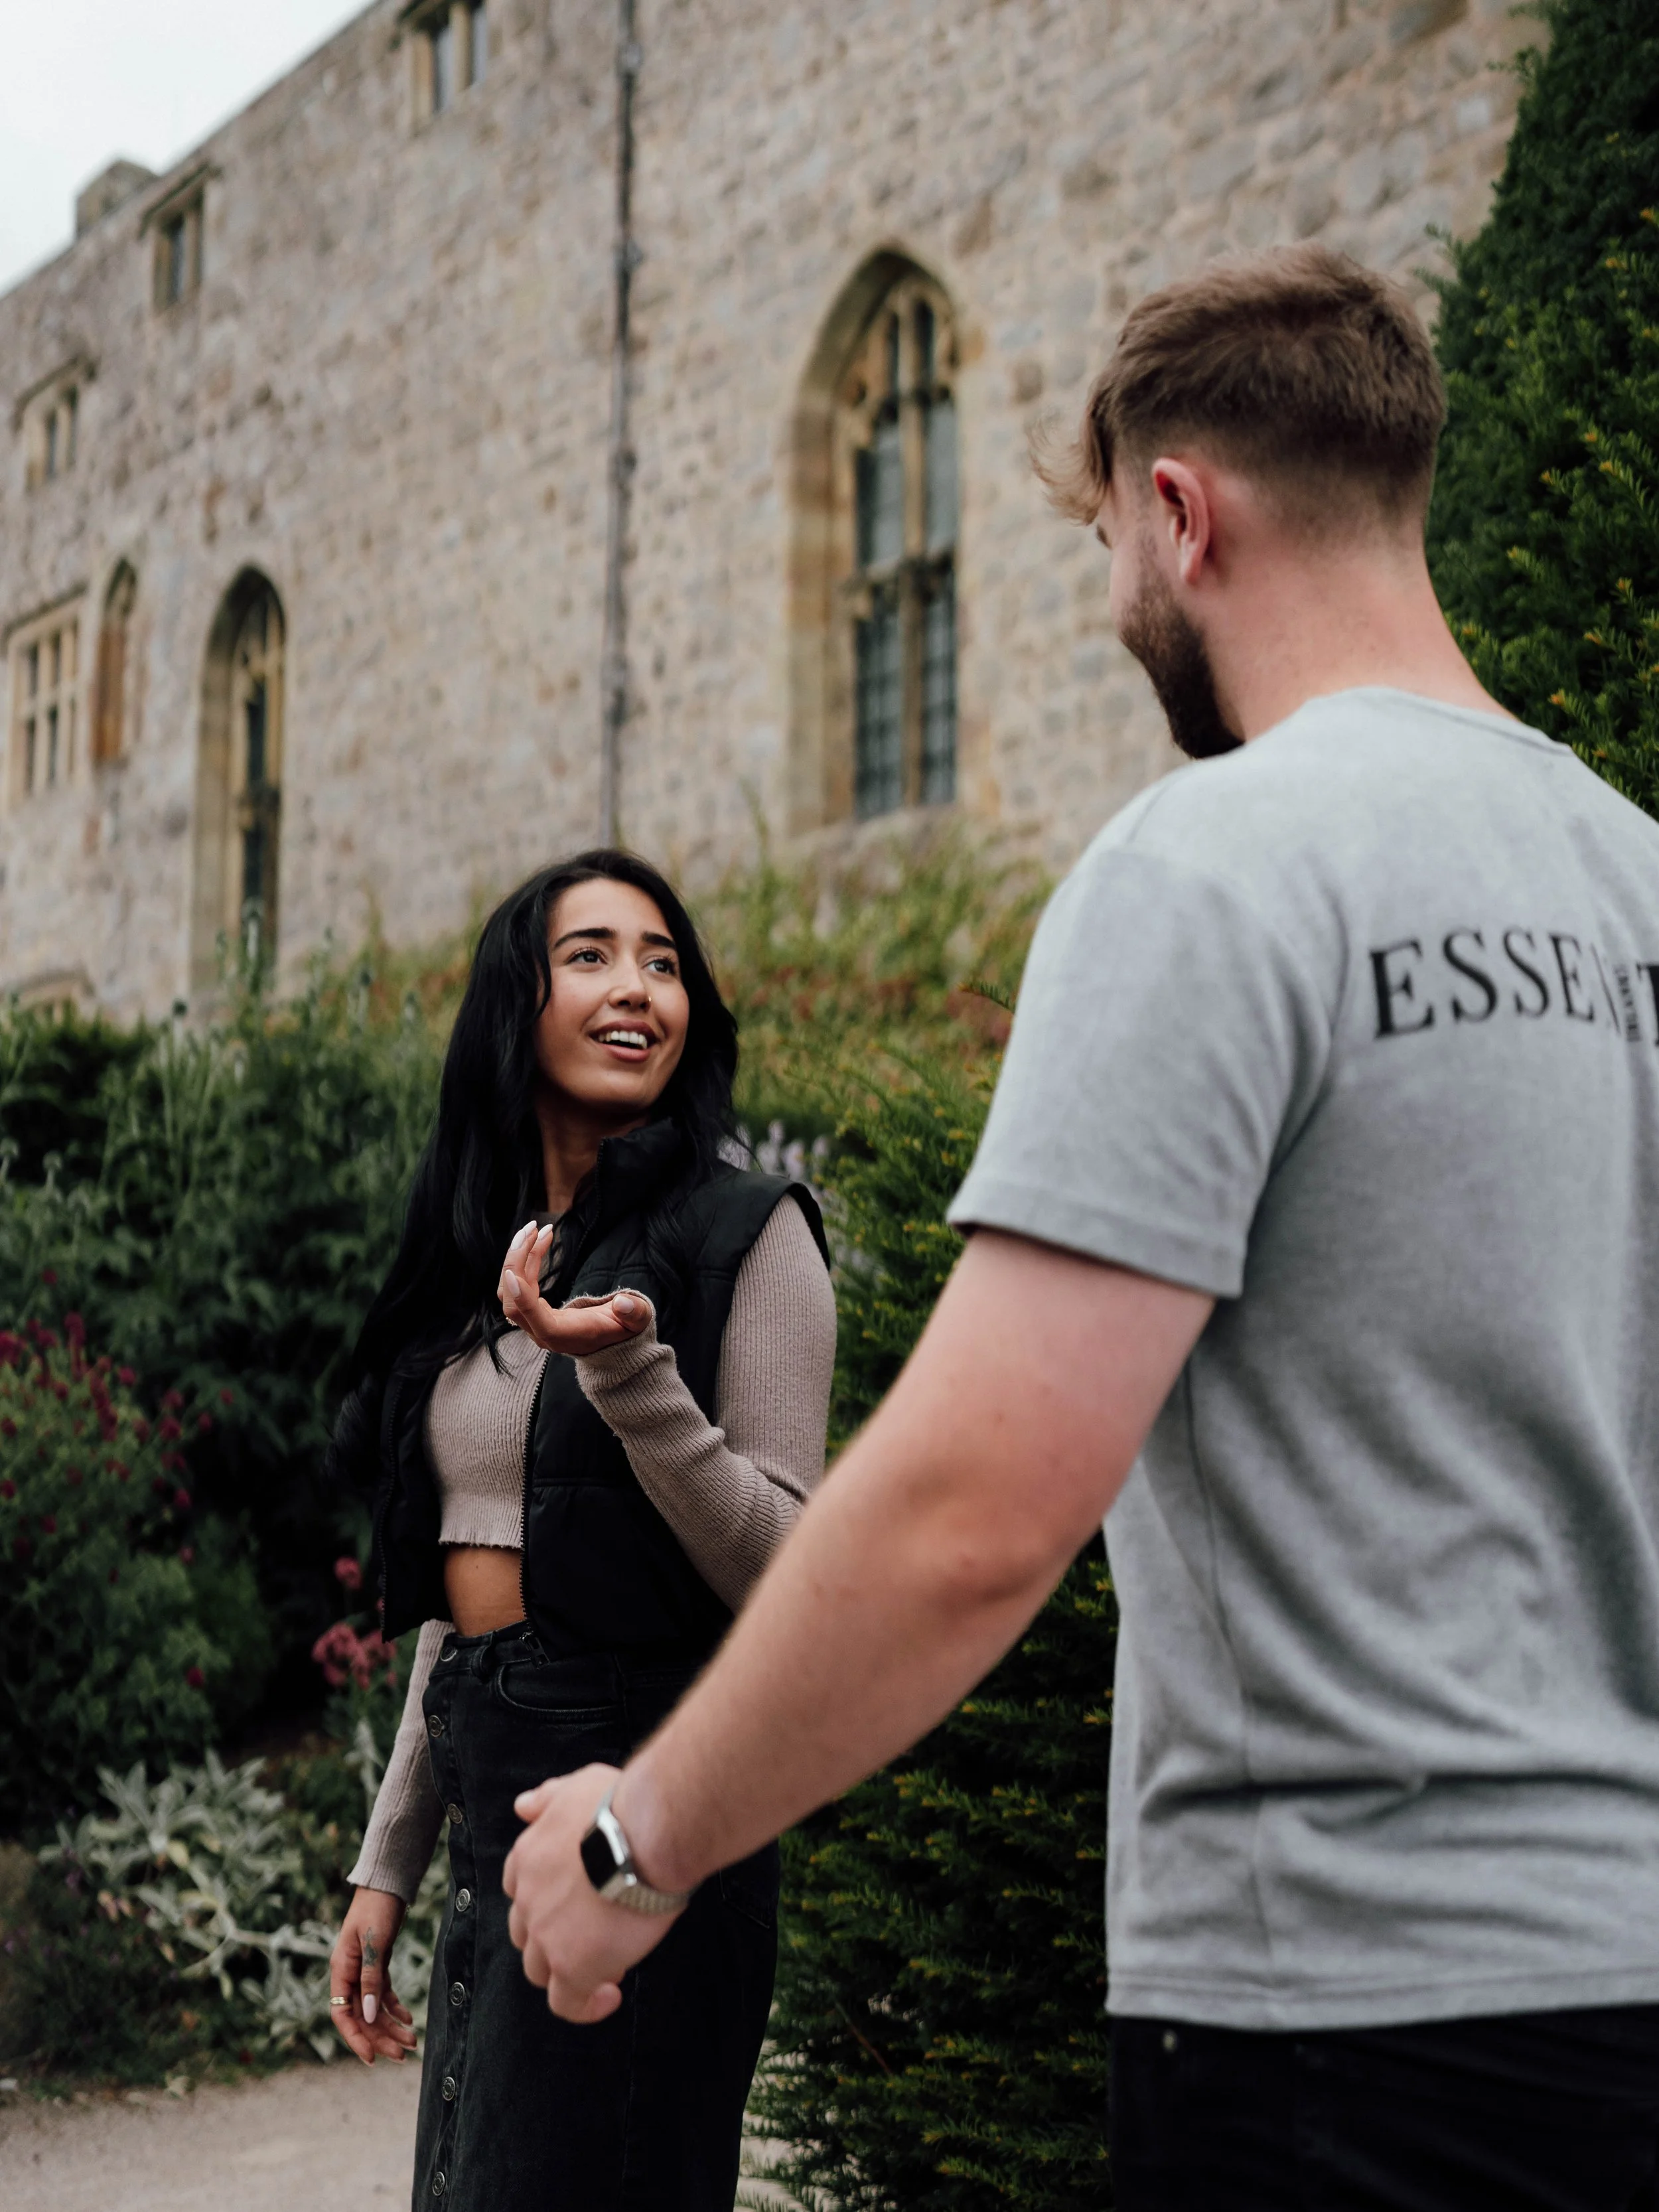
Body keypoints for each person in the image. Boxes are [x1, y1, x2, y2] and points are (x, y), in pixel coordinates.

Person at [500, 246, 1659, 2211]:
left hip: (1347, 2037)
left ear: (1180, 511)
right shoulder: (1634, 874)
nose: (1121, 603)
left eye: (1112, 546)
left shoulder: (1207, 865)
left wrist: (638, 1840)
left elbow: (975, 1505)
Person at [323, 849, 835, 2212]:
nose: (638, 989)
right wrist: (390, 1861)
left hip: (643, 1800)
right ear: (518, 1002)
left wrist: (630, 1380)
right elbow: (464, 1606)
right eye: (594, 954)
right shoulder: (488, 1250)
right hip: (498, 1792)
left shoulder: (750, 1235)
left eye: (663, 962)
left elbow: (790, 1569)